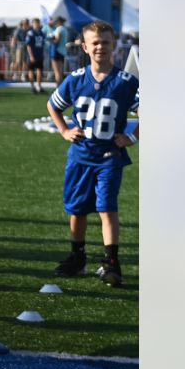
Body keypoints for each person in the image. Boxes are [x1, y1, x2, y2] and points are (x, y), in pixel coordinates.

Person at [47, 21, 139, 287]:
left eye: (106, 43)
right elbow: (53, 106)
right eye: (95, 43)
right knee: (77, 208)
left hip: (109, 156)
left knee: (106, 207)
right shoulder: (75, 79)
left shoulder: (126, 82)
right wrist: (64, 130)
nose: (100, 47)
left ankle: (111, 261)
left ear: (114, 46)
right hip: (80, 154)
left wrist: (131, 137)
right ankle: (77, 256)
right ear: (85, 47)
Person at [25, 17, 47, 93]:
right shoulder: (31, 33)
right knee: (31, 70)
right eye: (35, 23)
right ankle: (32, 86)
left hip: (39, 54)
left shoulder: (41, 33)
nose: (37, 25)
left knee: (39, 70)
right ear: (33, 24)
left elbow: (44, 43)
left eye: (38, 23)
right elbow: (28, 45)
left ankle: (39, 86)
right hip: (33, 54)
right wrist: (31, 56)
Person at [50, 16, 71, 84]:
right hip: (62, 51)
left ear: (58, 22)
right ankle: (60, 88)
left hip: (56, 51)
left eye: (56, 21)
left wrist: (50, 38)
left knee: (57, 72)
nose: (55, 23)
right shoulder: (64, 29)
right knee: (60, 71)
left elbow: (57, 41)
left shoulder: (59, 29)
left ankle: (58, 88)